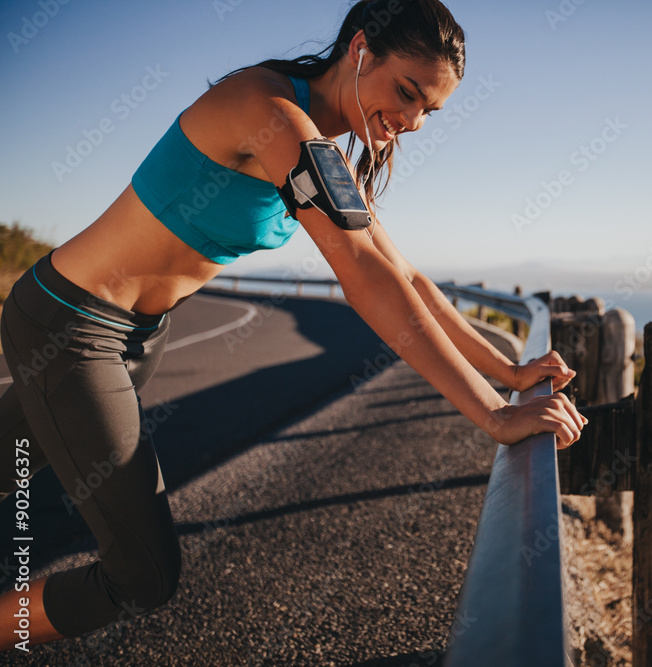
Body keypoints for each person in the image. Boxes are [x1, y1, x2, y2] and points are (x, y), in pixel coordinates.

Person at [0, 0, 585, 649]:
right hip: (71, 323)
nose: (415, 121)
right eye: (407, 92)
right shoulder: (268, 110)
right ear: (361, 48)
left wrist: (508, 372)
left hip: (136, 337)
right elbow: (361, 271)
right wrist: (494, 417)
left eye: (432, 111)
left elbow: (407, 276)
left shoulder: (324, 152)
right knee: (143, 573)